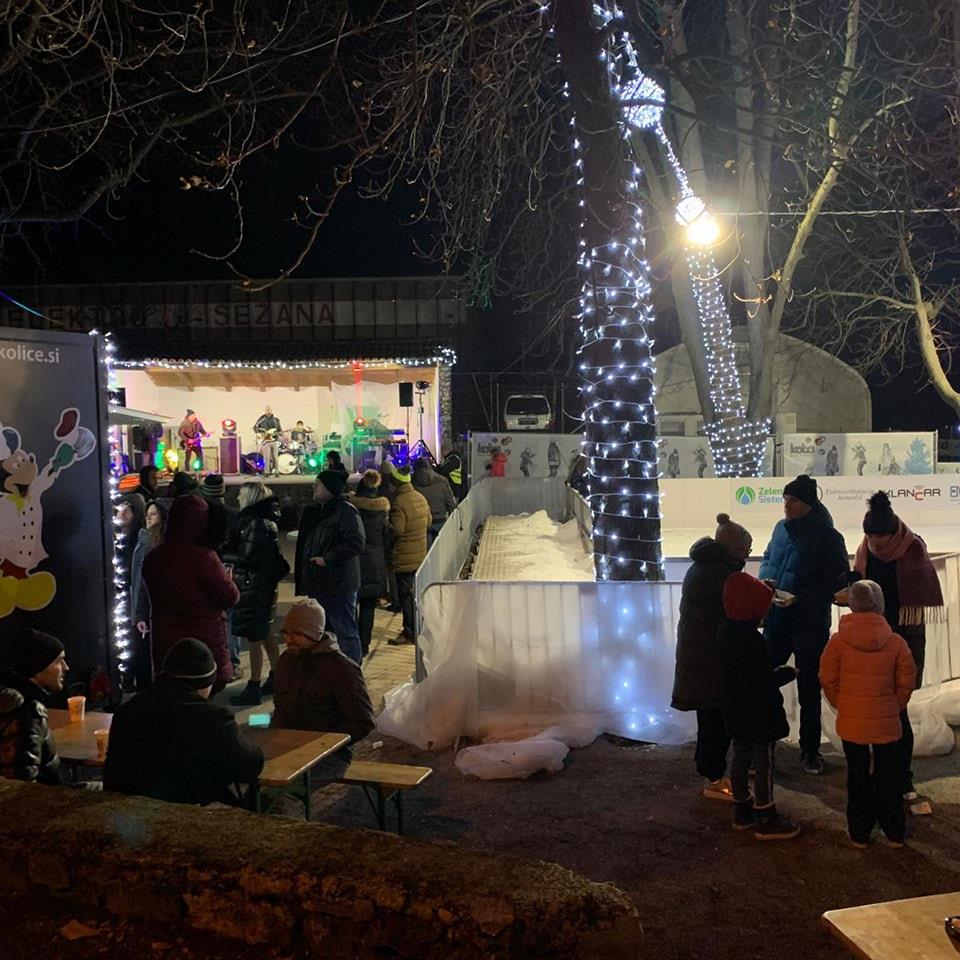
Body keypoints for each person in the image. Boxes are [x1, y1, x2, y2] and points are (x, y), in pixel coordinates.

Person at [845, 491, 942, 800]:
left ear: (892, 532)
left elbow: (918, 600)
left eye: (879, 536)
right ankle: (879, 775)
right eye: (869, 535)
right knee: (873, 714)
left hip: (902, 637)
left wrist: (911, 664)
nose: (875, 542)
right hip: (871, 638)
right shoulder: (865, 550)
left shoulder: (913, 549)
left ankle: (902, 778)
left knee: (897, 713)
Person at [758, 474, 849, 775]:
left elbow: (836, 584)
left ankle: (810, 750)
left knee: (809, 688)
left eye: (793, 500)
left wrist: (801, 598)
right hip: (777, 619)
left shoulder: (829, 538)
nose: (786, 505)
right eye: (785, 499)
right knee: (762, 677)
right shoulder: (780, 529)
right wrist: (765, 580)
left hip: (810, 624)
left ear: (808, 504)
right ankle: (761, 742)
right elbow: (768, 557)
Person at [104, 638, 264, 806]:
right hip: (188, 812)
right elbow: (250, 765)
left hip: (131, 810)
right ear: (205, 683)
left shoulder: (127, 710)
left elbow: (112, 775)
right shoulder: (214, 718)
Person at [819, 580, 916, 848]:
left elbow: (827, 677)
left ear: (852, 604)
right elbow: (907, 680)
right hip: (887, 719)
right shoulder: (896, 642)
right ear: (880, 605)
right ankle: (894, 830)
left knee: (857, 775)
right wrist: (895, 705)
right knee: (889, 775)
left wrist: (843, 704)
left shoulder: (838, 642)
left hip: (852, 721)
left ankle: (860, 832)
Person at [672, 513, 752, 801]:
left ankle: (710, 769)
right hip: (709, 660)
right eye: (745, 551)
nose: (747, 556)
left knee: (711, 718)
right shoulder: (718, 574)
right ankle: (714, 777)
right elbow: (735, 610)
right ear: (734, 549)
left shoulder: (707, 566)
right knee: (715, 720)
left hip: (702, 657)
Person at [718, 572, 800, 840]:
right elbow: (762, 681)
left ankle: (741, 810)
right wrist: (787, 673)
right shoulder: (752, 642)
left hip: (735, 709)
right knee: (764, 762)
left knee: (740, 757)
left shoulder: (724, 632)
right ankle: (766, 815)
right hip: (759, 713)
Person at [142, 495, 240, 690]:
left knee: (172, 692)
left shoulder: (154, 557)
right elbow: (229, 596)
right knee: (202, 691)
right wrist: (228, 580)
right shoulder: (205, 557)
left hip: (166, 640)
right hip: (203, 640)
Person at [272, 601, 375, 781]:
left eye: (297, 634)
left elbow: (363, 722)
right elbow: (280, 709)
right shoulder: (286, 661)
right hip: (289, 746)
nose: (289, 640)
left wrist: (324, 743)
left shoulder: (342, 669)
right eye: (286, 633)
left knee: (284, 787)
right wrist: (266, 731)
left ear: (314, 634)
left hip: (331, 755)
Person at [227, 481, 290, 706]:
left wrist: (226, 555)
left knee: (254, 635)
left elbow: (248, 556)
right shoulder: (264, 521)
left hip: (255, 586)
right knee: (264, 633)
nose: (237, 498)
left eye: (241, 494)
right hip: (262, 584)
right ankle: (277, 676)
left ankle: (254, 684)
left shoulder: (256, 523)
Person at [295, 470, 366, 665]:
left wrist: (327, 559)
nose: (314, 487)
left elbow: (356, 542)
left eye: (318, 484)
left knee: (345, 630)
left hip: (338, 582)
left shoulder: (345, 511)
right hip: (321, 581)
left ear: (330, 489)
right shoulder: (319, 511)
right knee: (325, 630)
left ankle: (352, 670)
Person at [0, 629, 68, 784]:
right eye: (59, 661)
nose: (66, 667)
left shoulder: (8, 698)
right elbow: (23, 784)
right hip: (49, 796)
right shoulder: (29, 711)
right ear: (37, 669)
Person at [384, 464, 429, 645]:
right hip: (419, 553)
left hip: (404, 556)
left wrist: (385, 525)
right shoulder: (420, 497)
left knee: (406, 596)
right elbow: (429, 520)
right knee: (413, 593)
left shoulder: (399, 502)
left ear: (396, 484)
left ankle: (409, 632)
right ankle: (415, 628)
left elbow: (397, 529)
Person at [350, 470, 392, 658]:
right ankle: (364, 644)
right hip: (374, 563)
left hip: (353, 563)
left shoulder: (351, 510)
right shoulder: (382, 511)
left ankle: (350, 642)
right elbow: (387, 537)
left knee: (350, 606)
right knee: (368, 608)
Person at [130, 499, 169, 690]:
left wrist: (139, 613)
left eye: (153, 514)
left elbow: (141, 580)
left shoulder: (150, 543)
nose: (148, 518)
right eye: (147, 515)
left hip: (150, 607)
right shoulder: (145, 539)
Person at [412, 457, 456, 547]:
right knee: (441, 550)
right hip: (440, 521)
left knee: (427, 552)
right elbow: (451, 503)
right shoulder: (442, 480)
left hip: (423, 523)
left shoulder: (413, 482)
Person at [253, 406, 282, 476]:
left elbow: (279, 430)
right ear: (265, 411)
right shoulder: (261, 419)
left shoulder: (276, 420)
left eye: (269, 410)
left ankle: (277, 472)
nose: (268, 411)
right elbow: (255, 427)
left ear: (272, 411)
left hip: (274, 440)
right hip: (265, 441)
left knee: (275, 457)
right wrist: (260, 433)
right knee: (266, 457)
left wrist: (281, 433)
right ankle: (267, 472)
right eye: (267, 410)